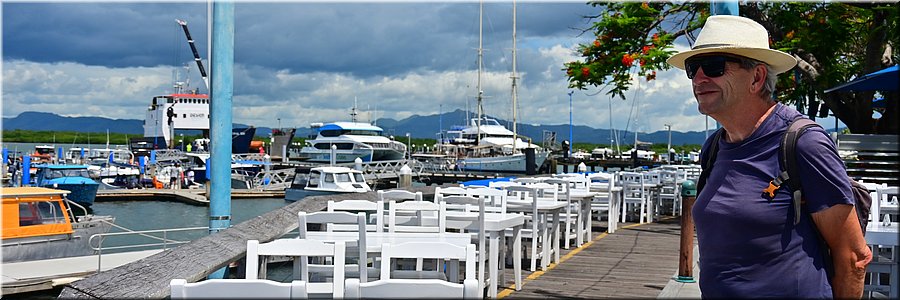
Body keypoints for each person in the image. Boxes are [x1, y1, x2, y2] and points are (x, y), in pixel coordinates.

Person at [666, 15, 871, 298]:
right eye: (693, 68)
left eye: (714, 66)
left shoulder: (804, 144)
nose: (700, 78)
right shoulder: (713, 148)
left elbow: (853, 256)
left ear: (757, 77)